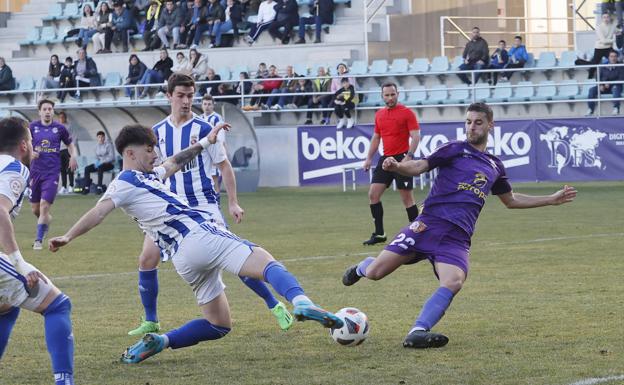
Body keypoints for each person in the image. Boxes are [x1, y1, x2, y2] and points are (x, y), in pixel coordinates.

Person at [49, 121, 343, 364]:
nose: (155, 154)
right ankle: (302, 303)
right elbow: (99, 212)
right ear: (130, 152)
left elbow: (176, 161)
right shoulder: (124, 183)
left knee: (218, 325)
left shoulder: (148, 177)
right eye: (149, 150)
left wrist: (205, 142)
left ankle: (160, 341)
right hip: (199, 234)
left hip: (183, 259)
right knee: (265, 261)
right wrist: (69, 235)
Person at [342, 102, 577, 349]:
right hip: (428, 225)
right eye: (468, 122)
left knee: (453, 281)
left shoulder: (495, 166)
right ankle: (361, 268)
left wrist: (550, 200)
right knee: (376, 273)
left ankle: (418, 331)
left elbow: (511, 200)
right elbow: (421, 165)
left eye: (478, 122)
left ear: (490, 125)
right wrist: (399, 166)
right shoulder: (454, 149)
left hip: (457, 237)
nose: (471, 127)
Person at [125, 73, 295, 336]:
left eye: (190, 96)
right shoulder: (157, 132)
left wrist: (233, 203)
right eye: (180, 95)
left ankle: (274, 304)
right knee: (147, 259)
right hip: (170, 213)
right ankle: (151, 320)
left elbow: (224, 166)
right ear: (169, 96)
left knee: (237, 261)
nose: (185, 101)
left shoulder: (204, 129)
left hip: (203, 207)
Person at [0, 117, 75, 385]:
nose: (34, 148)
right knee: (58, 306)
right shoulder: (15, 168)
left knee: (6, 307)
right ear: (23, 145)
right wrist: (19, 265)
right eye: (32, 142)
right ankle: (64, 382)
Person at [362, 83, 420, 245]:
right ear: (382, 96)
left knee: (407, 199)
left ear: (398, 94)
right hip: (385, 159)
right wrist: (368, 158)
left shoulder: (407, 113)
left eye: (392, 94)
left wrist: (408, 157)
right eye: (386, 95)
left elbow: (415, 136)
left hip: (401, 159)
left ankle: (418, 234)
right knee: (373, 195)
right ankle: (379, 233)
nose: (390, 98)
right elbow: (376, 138)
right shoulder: (379, 114)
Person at [29, 100, 78, 250]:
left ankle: (38, 240)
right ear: (40, 112)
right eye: (44, 109)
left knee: (44, 207)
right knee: (36, 210)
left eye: (50, 109)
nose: (47, 111)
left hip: (52, 173)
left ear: (52, 111)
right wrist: (31, 152)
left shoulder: (59, 128)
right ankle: (46, 222)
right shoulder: (32, 127)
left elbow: (70, 144)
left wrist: (73, 156)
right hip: (35, 172)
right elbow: (25, 144)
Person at [576, 12, 619, 79]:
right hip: (599, 48)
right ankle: (581, 65)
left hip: (609, 48)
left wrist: (620, 32)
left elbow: (618, 31)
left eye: (607, 17)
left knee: (616, 60)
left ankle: (618, 76)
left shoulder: (612, 26)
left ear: (609, 18)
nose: (606, 19)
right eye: (604, 17)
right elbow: (603, 41)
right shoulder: (599, 27)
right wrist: (614, 40)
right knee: (594, 64)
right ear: (602, 19)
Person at [585, 50, 624, 115]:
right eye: (611, 56)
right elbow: (598, 77)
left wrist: (610, 83)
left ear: (617, 57)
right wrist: (601, 84)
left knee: (615, 88)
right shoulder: (603, 66)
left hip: (615, 86)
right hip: (604, 87)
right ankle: (590, 109)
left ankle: (616, 108)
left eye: (615, 56)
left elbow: (621, 78)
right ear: (608, 57)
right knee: (592, 90)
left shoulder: (621, 66)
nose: (613, 58)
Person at [200, 94, 225, 192]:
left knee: (214, 178)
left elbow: (221, 138)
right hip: (203, 152)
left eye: (209, 104)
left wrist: (219, 153)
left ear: (213, 105)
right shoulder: (200, 118)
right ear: (202, 105)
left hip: (214, 151)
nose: (207, 106)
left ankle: (217, 203)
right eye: (205, 104)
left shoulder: (217, 118)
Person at [58, 111, 76, 195]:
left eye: (63, 117)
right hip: (60, 150)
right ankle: (64, 186)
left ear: (65, 118)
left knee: (69, 168)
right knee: (62, 169)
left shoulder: (70, 126)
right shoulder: (57, 127)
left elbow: (73, 137)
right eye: (60, 117)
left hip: (68, 149)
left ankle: (71, 185)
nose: (61, 119)